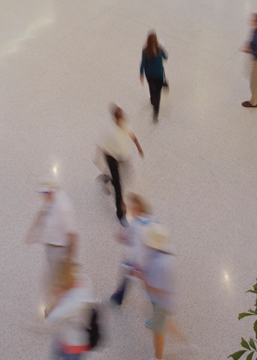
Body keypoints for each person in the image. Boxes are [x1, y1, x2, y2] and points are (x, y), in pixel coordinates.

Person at [26, 182, 79, 311]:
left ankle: (54, 307)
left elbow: (72, 234)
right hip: (51, 246)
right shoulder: (51, 201)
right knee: (51, 277)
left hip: (60, 249)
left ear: (50, 193)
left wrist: (70, 257)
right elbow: (42, 213)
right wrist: (33, 231)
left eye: (45, 194)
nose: (43, 197)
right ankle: (56, 302)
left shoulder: (63, 208)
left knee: (55, 280)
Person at [97, 105, 144, 223]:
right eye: (121, 114)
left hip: (123, 156)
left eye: (123, 113)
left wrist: (139, 147)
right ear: (115, 117)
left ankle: (106, 178)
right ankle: (120, 214)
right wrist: (109, 157)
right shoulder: (109, 129)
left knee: (125, 174)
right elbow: (104, 147)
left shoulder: (124, 123)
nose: (123, 116)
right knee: (118, 187)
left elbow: (131, 134)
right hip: (112, 158)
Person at [110, 192, 156, 307]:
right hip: (133, 260)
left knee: (147, 284)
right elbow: (127, 238)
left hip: (143, 262)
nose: (131, 211)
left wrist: (139, 265)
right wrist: (122, 236)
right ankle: (118, 297)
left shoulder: (147, 225)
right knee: (127, 278)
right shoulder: (133, 221)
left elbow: (146, 247)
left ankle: (158, 308)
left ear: (141, 209)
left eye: (134, 208)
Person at [44, 257, 95, 358]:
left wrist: (54, 303)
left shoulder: (71, 304)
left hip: (72, 345)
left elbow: (50, 318)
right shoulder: (83, 279)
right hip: (78, 336)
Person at [141, 222, 175, 360]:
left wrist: (144, 278)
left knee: (158, 332)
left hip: (162, 302)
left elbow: (159, 290)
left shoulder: (164, 264)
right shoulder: (164, 249)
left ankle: (158, 357)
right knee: (160, 321)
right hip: (158, 300)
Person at [139, 32, 169, 123]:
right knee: (158, 94)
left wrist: (141, 74)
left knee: (151, 88)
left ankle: (152, 99)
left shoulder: (145, 51)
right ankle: (155, 113)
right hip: (159, 75)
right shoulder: (159, 51)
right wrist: (162, 48)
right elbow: (166, 57)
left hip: (149, 75)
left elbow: (143, 63)